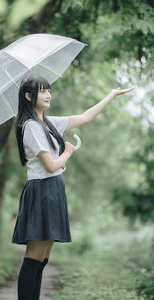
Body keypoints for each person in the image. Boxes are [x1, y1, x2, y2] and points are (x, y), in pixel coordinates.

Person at [11, 74, 135, 299]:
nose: (48, 95)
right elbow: (50, 165)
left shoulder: (46, 123)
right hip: (42, 190)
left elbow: (85, 117)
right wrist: (67, 152)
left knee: (42, 259)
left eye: (49, 90)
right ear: (29, 96)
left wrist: (111, 95)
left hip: (52, 189)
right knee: (34, 258)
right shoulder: (30, 126)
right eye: (42, 91)